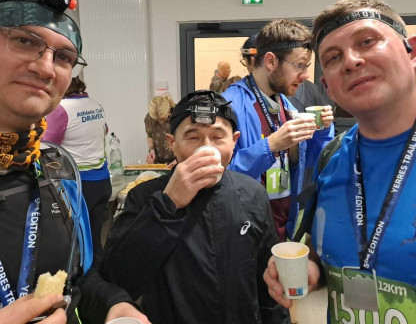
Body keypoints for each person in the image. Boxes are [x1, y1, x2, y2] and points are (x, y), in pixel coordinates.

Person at [0, 0, 149, 324]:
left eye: (64, 57)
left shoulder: (57, 169)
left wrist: (115, 304)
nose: (45, 68)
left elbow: (78, 278)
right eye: (24, 41)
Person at [263, 0, 416, 323]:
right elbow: (324, 252)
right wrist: (310, 270)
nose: (351, 61)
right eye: (333, 57)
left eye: (367, 41)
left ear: (412, 52)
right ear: (328, 88)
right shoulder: (331, 158)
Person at [101, 90, 289, 324]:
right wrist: (168, 203)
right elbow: (118, 278)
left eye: (218, 137)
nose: (206, 148)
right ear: (172, 143)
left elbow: (268, 282)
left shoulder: (253, 194)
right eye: (193, 137)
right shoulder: (143, 197)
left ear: (234, 142)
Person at [223, 19, 334, 241]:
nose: (305, 75)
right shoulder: (230, 106)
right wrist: (271, 145)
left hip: (283, 224)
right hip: (244, 230)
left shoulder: (285, 105)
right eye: (300, 65)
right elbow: (219, 177)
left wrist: (322, 131)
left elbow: (310, 161)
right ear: (271, 61)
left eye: (307, 67)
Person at [43, 76, 112, 263]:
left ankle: (85, 280)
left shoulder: (61, 110)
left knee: (77, 244)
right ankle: (100, 276)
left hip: (80, 185)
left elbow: (47, 146)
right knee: (95, 240)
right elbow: (104, 130)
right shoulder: (96, 105)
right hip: (102, 181)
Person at [144, 93, 176, 166]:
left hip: (176, 161)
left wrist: (178, 159)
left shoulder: (177, 115)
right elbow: (149, 135)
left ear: (168, 110)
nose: (160, 122)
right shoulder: (149, 118)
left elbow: (185, 139)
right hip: (158, 162)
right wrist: (151, 149)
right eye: (157, 119)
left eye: (163, 119)